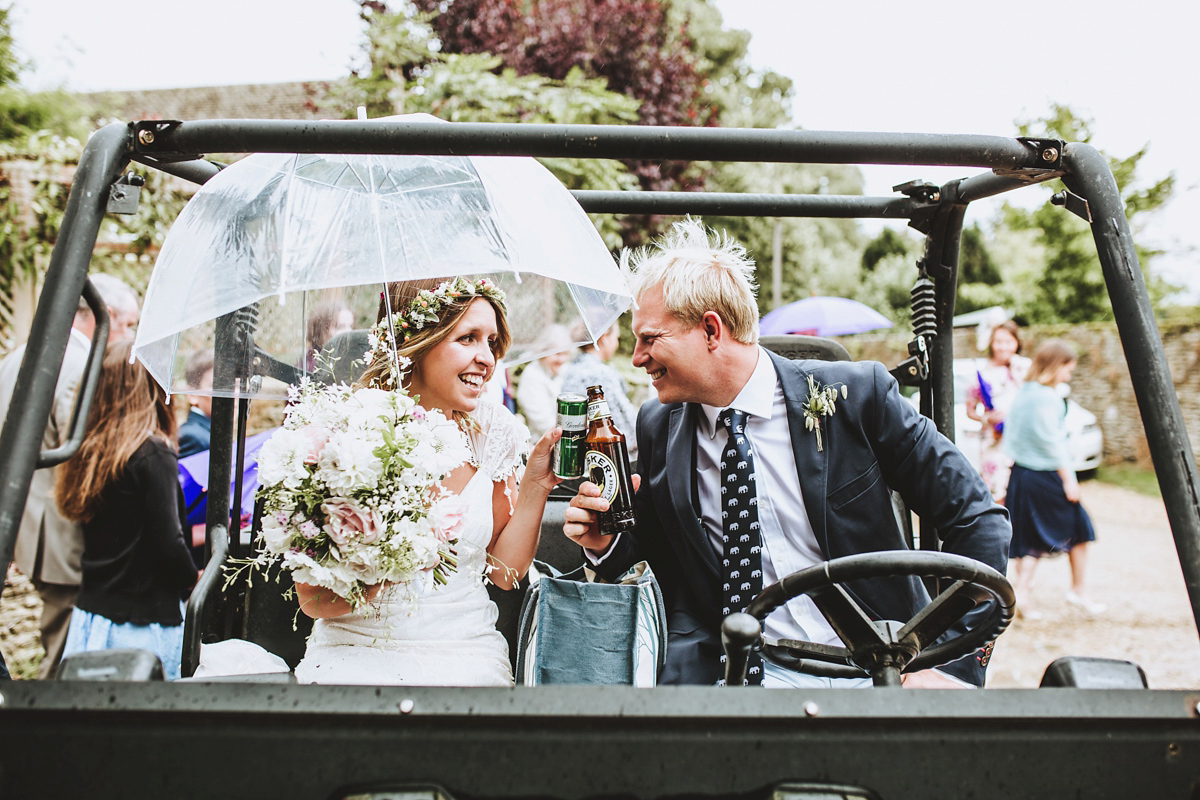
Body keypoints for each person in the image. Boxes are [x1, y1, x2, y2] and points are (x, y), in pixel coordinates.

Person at [563, 218, 1010, 689]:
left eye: (650, 338)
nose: (636, 357)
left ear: (711, 329)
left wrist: (950, 665)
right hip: (734, 673)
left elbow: (977, 519)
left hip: (880, 666)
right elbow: (659, 559)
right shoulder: (657, 426)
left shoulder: (857, 397)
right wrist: (604, 543)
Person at [292, 277, 561, 686]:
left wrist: (536, 486)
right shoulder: (345, 437)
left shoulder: (493, 433)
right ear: (418, 342)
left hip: (466, 650)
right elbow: (314, 601)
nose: (486, 358)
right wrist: (396, 555)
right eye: (468, 338)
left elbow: (505, 575)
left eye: (491, 342)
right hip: (353, 652)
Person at [0, 273, 139, 678]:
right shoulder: (80, 365)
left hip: (26, 522)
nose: (127, 336)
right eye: (128, 326)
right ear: (105, 316)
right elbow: (81, 461)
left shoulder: (20, 355)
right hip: (62, 530)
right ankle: (46, 732)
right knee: (65, 651)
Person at [55, 341, 198, 681]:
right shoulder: (152, 453)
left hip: (93, 617)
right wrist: (194, 578)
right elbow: (169, 543)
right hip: (141, 624)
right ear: (150, 386)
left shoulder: (91, 451)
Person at [1004, 339, 1103, 619]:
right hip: (1045, 474)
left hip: (1022, 474)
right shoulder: (1046, 398)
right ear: (1055, 365)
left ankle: (1021, 593)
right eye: (1067, 369)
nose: (1068, 375)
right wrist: (1069, 480)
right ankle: (1078, 590)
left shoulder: (1025, 392)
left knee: (1033, 536)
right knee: (1080, 528)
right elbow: (1053, 442)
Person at [964, 319, 1030, 504]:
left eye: (1008, 342)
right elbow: (970, 410)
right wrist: (987, 418)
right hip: (994, 442)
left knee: (1022, 493)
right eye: (999, 341)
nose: (1003, 347)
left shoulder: (1024, 368)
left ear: (1017, 343)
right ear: (992, 343)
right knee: (998, 492)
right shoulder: (981, 374)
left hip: (1021, 440)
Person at [558, 319, 639, 463]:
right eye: (616, 338)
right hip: (609, 455)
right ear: (604, 338)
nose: (617, 343)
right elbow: (625, 425)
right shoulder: (602, 374)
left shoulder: (571, 369)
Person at [515, 323, 575, 441]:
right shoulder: (531, 375)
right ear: (543, 351)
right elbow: (542, 422)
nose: (562, 359)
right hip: (542, 441)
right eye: (557, 354)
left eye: (566, 354)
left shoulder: (563, 370)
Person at [177, 350, 214, 458]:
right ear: (192, 394)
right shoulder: (193, 438)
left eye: (235, 385)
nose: (234, 394)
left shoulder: (209, 434)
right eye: (217, 386)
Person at [305, 300, 354, 372]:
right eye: (340, 327)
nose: (349, 331)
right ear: (322, 330)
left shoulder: (349, 358)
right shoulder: (310, 367)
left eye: (351, 326)